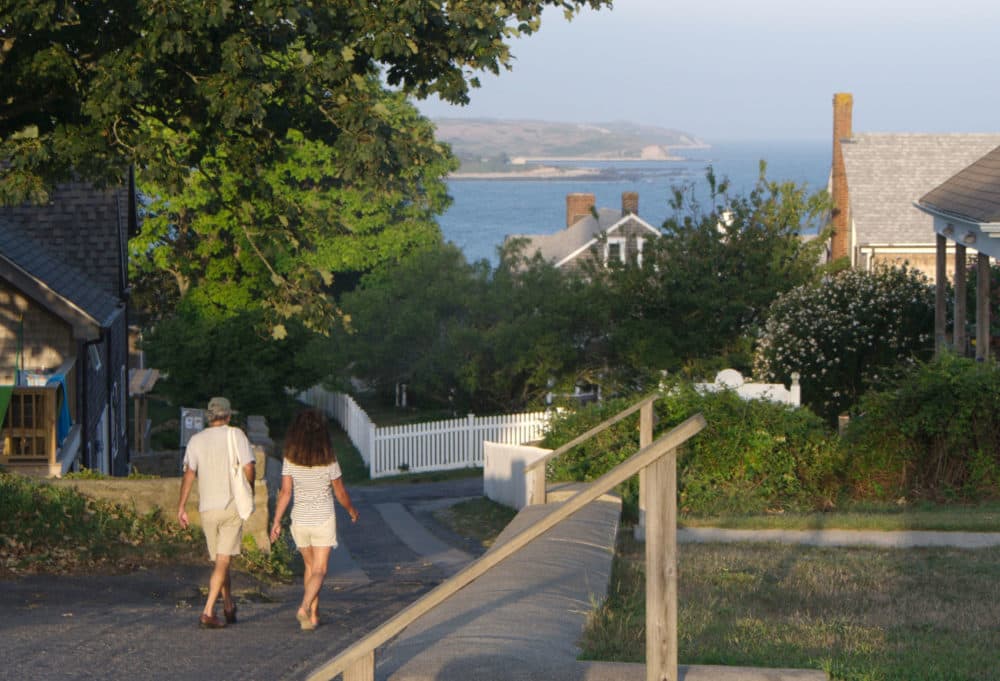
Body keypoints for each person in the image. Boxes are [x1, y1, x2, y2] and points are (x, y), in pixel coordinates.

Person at [270, 408, 359, 631]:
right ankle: (304, 606)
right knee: (320, 570)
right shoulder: (329, 460)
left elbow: (286, 493)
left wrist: (276, 521)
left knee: (310, 568)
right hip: (322, 520)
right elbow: (340, 492)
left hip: (300, 520)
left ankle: (313, 616)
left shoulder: (290, 459)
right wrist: (351, 510)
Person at [177, 396, 255, 629]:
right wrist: (248, 488)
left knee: (221, 561)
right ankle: (208, 610)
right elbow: (249, 466)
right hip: (230, 505)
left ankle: (229, 605)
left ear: (209, 417)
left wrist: (181, 506)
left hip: (207, 508)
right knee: (223, 560)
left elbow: (189, 474)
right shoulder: (236, 435)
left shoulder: (196, 440)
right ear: (229, 416)